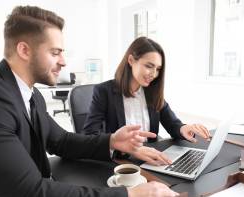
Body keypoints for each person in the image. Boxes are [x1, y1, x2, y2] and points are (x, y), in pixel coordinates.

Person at [0, 6, 178, 197]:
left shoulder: (31, 95)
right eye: (55, 52)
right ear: (24, 50)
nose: (64, 61)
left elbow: (61, 141)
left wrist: (112, 142)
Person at [83, 37, 211, 165]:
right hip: (121, 162)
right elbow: (90, 135)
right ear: (131, 60)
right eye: (149, 66)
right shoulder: (104, 91)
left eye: (158, 69)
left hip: (150, 160)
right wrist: (130, 150)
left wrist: (184, 128)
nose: (154, 74)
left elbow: (172, 124)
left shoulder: (152, 91)